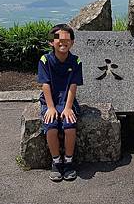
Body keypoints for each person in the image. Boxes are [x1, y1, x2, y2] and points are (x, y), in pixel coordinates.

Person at [37, 23, 83, 182]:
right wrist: (50, 107)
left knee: (70, 126)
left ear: (72, 42)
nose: (63, 42)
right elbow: (45, 84)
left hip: (67, 101)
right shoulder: (45, 60)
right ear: (51, 42)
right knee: (51, 126)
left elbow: (73, 85)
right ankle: (56, 161)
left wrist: (69, 107)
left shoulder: (76, 61)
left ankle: (68, 161)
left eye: (67, 38)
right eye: (58, 39)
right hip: (50, 100)